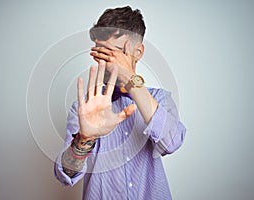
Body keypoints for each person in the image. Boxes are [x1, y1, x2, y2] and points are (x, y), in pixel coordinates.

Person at [54, 6, 186, 200]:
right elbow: (65, 175)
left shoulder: (160, 99)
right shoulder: (84, 108)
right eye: (99, 52)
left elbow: (172, 143)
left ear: (138, 52)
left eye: (112, 53)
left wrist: (130, 79)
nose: (104, 62)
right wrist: (84, 139)